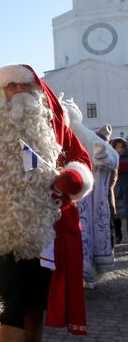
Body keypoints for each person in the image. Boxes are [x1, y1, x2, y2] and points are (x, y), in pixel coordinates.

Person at [0, 64, 93, 342]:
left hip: (44, 227)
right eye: (10, 86)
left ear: (35, 90)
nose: (17, 91)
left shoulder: (56, 126)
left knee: (35, 293)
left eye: (23, 85)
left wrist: (73, 178)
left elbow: (81, 160)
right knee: (9, 296)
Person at [61, 98, 118, 287]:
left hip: (86, 198)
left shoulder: (86, 136)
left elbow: (112, 158)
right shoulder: (56, 136)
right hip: (63, 198)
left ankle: (85, 273)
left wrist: (103, 158)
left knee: (85, 234)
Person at [111, 137, 128, 244]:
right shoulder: (112, 158)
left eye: (122, 147)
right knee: (116, 215)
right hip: (117, 191)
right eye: (117, 147)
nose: (120, 149)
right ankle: (118, 235)